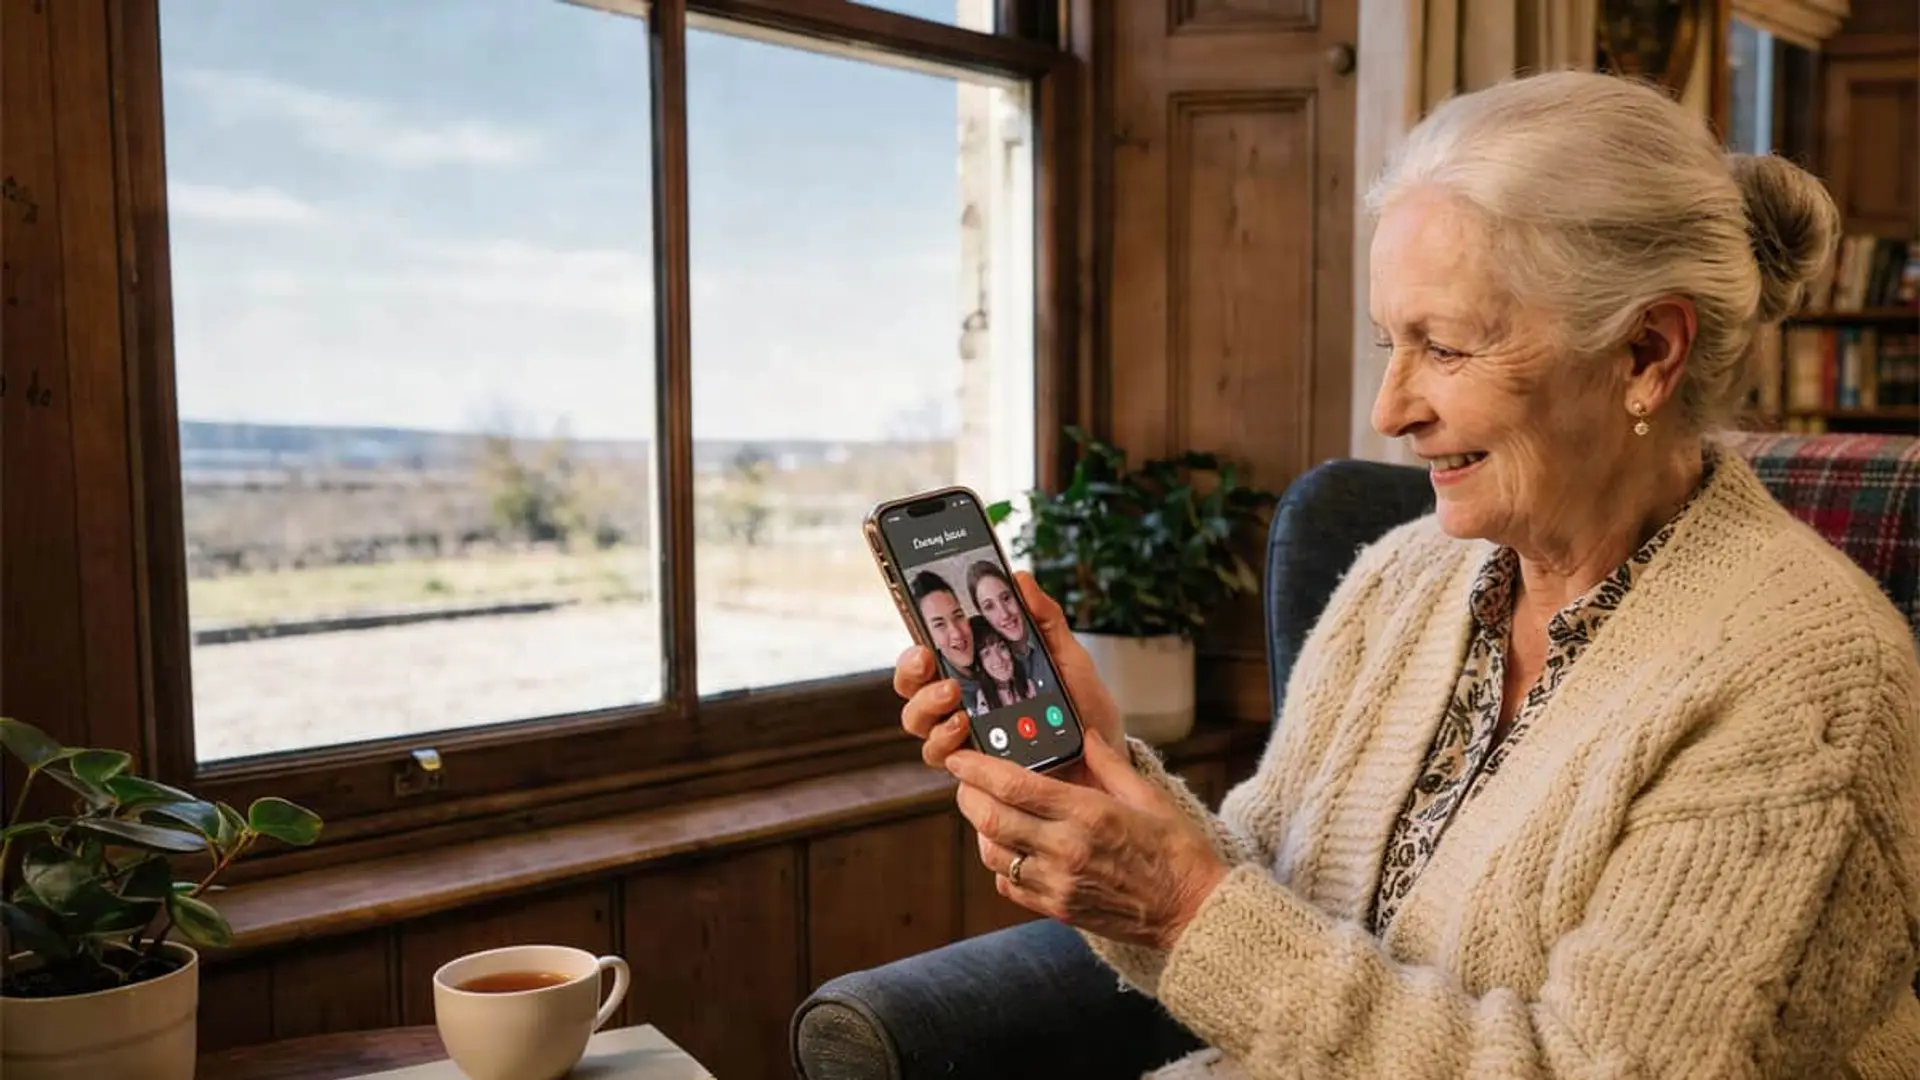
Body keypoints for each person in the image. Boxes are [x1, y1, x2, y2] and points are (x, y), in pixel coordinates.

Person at [891, 70, 1920, 1079]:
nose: (1390, 410)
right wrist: (1108, 779)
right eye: (1392, 341)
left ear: (1648, 351)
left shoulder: (1813, 680)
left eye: (1446, 347)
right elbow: (1266, 898)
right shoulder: (1403, 578)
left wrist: (1183, 903)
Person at [967, 560, 1059, 693]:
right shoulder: (991, 666)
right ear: (982, 614)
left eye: (1006, 598)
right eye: (989, 606)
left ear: (1016, 594)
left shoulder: (1049, 634)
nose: (1004, 614)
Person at [909, 569, 981, 704]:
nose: (957, 633)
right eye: (939, 625)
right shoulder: (941, 689)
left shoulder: (994, 645)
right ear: (926, 633)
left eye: (958, 616)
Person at [967, 614, 1038, 712]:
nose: (998, 659)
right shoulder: (983, 699)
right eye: (986, 653)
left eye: (1002, 647)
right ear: (979, 664)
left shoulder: (1029, 683)